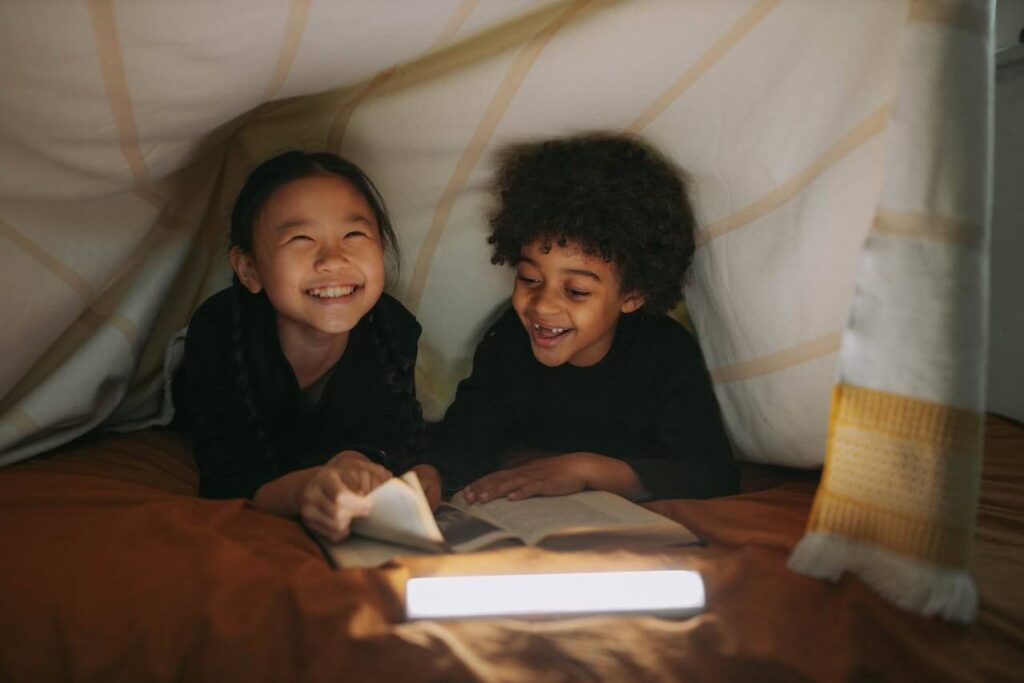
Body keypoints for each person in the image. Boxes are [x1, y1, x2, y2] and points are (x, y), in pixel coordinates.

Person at [423, 134, 737, 503]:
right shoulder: (509, 341)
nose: (543, 306)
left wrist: (586, 470)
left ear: (633, 295)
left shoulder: (665, 356)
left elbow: (709, 472)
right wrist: (432, 472)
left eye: (576, 291)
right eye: (530, 279)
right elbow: (470, 430)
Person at [177, 150, 441, 542]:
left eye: (353, 235)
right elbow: (228, 473)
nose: (333, 259)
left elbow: (384, 433)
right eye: (301, 239)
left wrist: (357, 464)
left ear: (381, 248)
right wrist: (306, 491)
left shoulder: (392, 328)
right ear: (249, 269)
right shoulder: (218, 332)